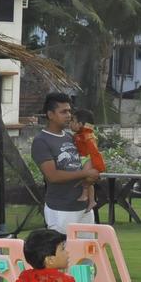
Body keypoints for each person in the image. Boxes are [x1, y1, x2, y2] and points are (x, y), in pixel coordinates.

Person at [33, 92, 99, 233]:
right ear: (50, 115)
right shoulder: (41, 141)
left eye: (69, 111)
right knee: (63, 253)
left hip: (84, 209)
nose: (69, 115)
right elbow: (53, 176)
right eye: (63, 112)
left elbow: (85, 159)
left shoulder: (71, 137)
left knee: (87, 253)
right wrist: (86, 173)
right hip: (61, 209)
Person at [70, 108, 106, 212]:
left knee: (85, 177)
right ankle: (92, 201)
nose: (70, 123)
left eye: (73, 121)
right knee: (89, 182)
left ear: (80, 124)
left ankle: (84, 195)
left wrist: (99, 166)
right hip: (85, 159)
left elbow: (94, 151)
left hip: (87, 159)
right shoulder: (80, 135)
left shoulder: (87, 136)